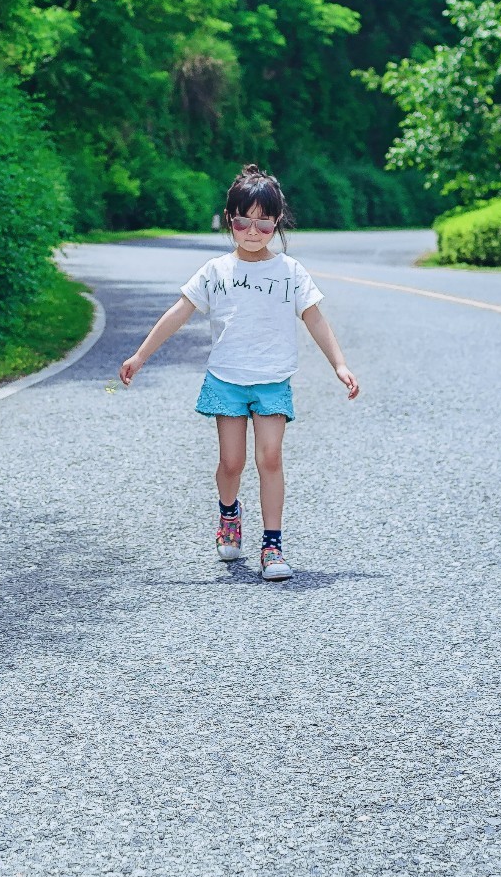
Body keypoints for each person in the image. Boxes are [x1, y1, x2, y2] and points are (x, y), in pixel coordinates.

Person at [118, 165, 359, 579]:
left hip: (272, 380)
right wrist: (140, 356)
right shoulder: (215, 271)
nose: (252, 231)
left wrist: (339, 363)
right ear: (229, 220)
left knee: (270, 457)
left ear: (276, 222)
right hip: (226, 379)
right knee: (231, 462)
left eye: (263, 224)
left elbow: (315, 319)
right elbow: (179, 313)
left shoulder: (289, 271)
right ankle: (229, 515)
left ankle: (272, 546)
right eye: (243, 221)